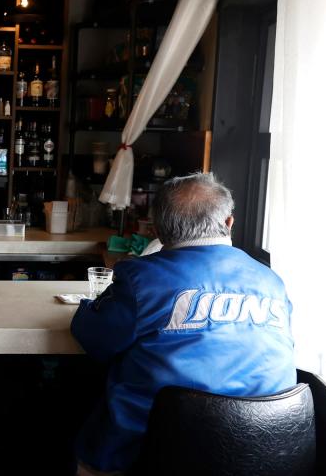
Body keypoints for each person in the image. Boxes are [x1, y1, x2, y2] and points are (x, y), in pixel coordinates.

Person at [71, 172, 295, 475]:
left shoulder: (141, 278)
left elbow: (94, 338)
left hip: (151, 453)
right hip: (267, 452)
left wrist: (90, 306)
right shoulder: (272, 283)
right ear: (229, 223)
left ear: (159, 231)